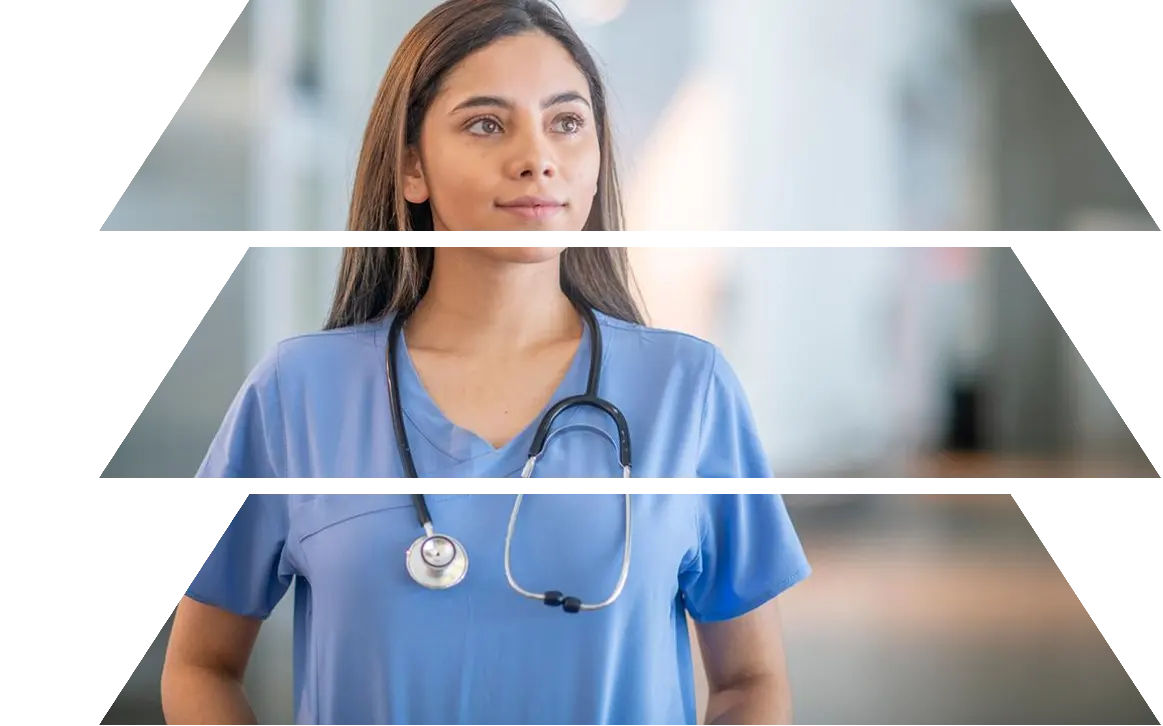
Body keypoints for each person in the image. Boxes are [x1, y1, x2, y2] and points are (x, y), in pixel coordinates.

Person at [163, 1, 811, 725]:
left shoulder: (688, 393)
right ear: (412, 166)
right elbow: (201, 665)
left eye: (566, 122)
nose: (537, 156)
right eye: (486, 123)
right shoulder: (299, 395)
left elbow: (750, 683)